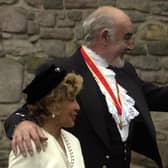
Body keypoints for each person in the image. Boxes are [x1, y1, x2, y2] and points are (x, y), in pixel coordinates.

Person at [4, 6, 168, 168]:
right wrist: (23, 124)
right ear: (105, 36)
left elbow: (158, 97)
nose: (130, 45)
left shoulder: (125, 71)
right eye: (126, 37)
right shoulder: (62, 70)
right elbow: (28, 110)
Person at [8, 64, 85, 168]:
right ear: (53, 104)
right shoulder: (29, 142)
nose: (77, 107)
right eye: (71, 100)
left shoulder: (73, 141)